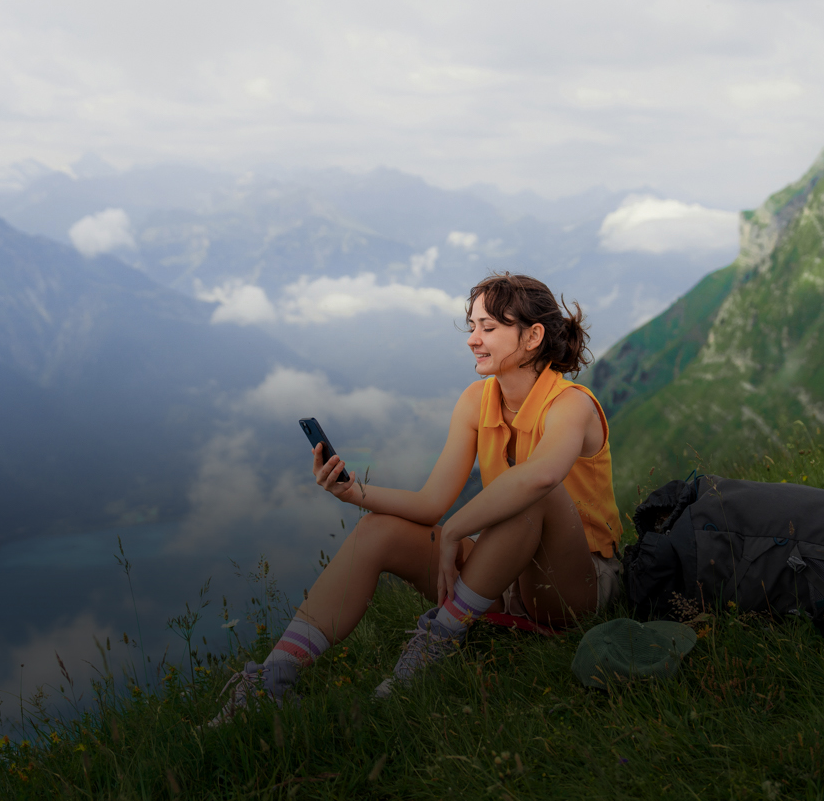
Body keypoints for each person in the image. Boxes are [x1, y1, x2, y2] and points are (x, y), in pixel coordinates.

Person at [210, 272, 621, 721]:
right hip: (502, 572)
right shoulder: (475, 401)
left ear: (532, 336)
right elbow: (431, 504)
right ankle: (268, 682)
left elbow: (541, 479)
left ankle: (432, 649)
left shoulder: (571, 404)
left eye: (489, 327)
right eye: (472, 326)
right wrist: (355, 493)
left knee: (534, 493)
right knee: (377, 531)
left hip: (573, 585)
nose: (472, 340)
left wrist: (456, 533)